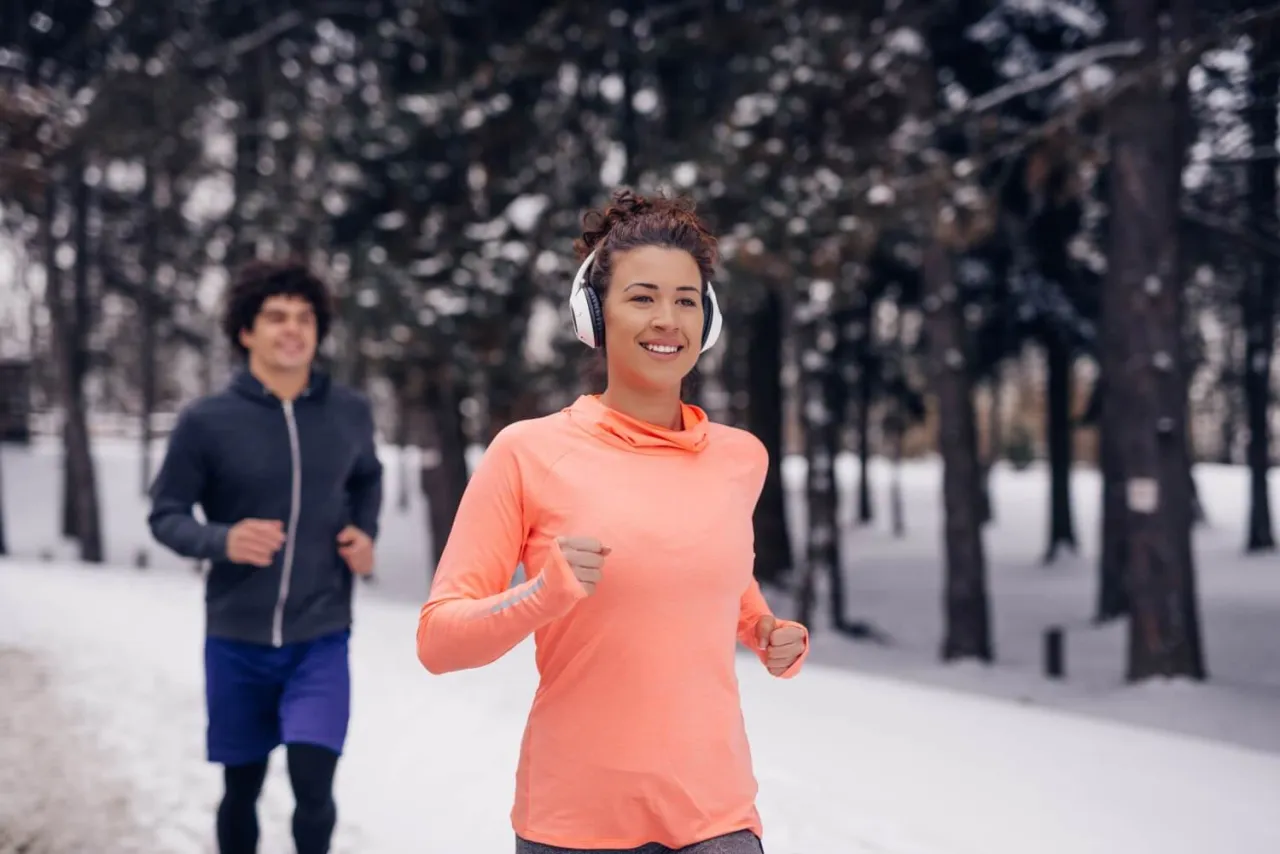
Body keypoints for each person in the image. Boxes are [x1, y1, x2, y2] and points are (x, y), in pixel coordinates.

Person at [416, 188, 809, 854]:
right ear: (593, 315)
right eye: (642, 297)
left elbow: (712, 572)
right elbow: (438, 642)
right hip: (576, 827)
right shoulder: (528, 452)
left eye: (686, 300)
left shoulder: (740, 458)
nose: (668, 320)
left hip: (718, 821)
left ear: (707, 320)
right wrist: (541, 597)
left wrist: (765, 630)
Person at [147, 259, 383, 854]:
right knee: (242, 788)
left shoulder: (349, 411)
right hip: (237, 639)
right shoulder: (205, 422)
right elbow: (166, 513)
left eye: (304, 318)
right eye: (275, 317)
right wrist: (220, 540)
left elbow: (368, 478)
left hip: (321, 635)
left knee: (313, 785)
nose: (292, 329)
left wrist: (364, 530)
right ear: (246, 331)